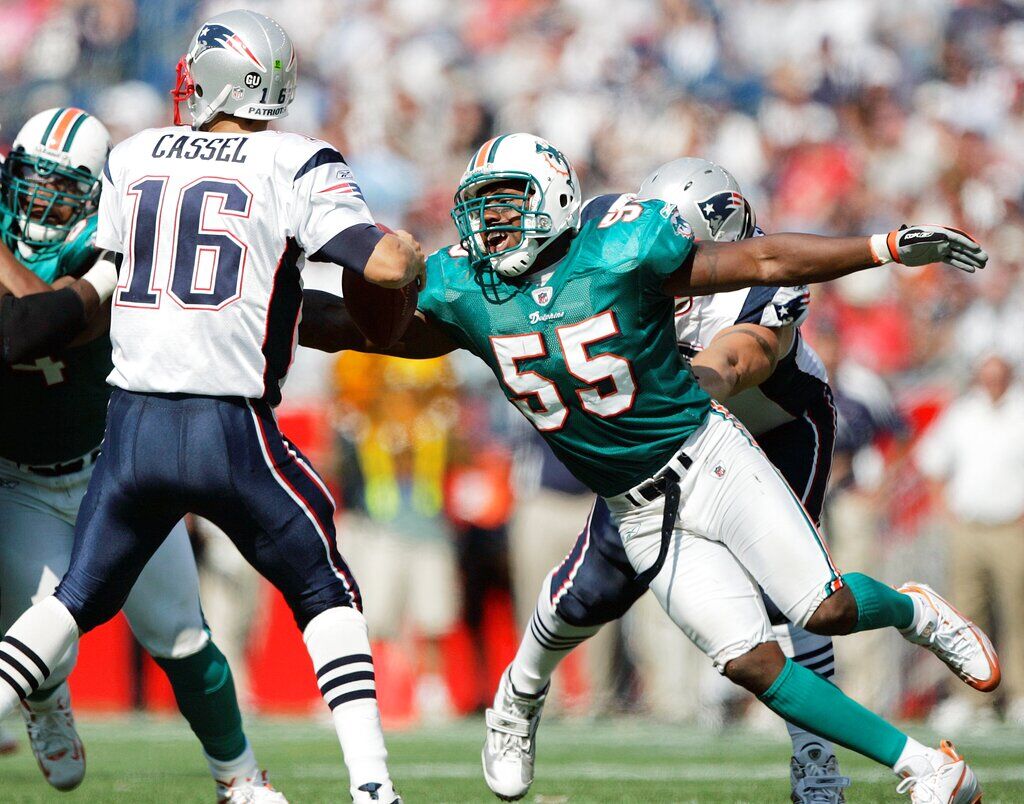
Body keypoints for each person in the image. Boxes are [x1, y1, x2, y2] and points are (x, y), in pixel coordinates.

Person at [300, 132, 995, 803]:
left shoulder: (627, 247)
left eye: (509, 200)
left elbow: (761, 282)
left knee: (823, 607)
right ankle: (927, 767)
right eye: (485, 204)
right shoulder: (468, 283)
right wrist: (253, 305)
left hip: (718, 454)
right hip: (636, 507)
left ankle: (916, 614)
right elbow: (363, 331)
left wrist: (884, 247)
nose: (495, 221)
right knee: (744, 659)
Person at [0, 11, 422, 804]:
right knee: (325, 587)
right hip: (230, 427)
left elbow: (99, 288)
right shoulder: (295, 160)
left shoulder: (134, 154)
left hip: (126, 436)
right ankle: (373, 787)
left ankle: (240, 778)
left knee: (72, 606)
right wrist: (412, 264)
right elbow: (387, 260)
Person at [0, 107, 281, 801]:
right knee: (42, 646)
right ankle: (45, 701)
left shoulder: (121, 235)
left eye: (63, 190)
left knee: (181, 636)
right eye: (32, 184)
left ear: (97, 193)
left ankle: (239, 778)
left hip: (114, 469)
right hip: (18, 480)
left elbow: (32, 330)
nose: (41, 204)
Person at [552, 157, 849, 802]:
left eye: (678, 240)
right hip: (688, 436)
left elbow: (739, 358)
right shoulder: (628, 261)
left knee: (800, 596)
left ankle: (816, 757)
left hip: (778, 427)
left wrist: (686, 386)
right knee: (596, 587)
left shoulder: (759, 287)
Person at [916, 353, 1024, 726]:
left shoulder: (1020, 411)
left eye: (999, 376)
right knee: (965, 614)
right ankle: (969, 697)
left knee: (1017, 613)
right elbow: (931, 461)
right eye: (986, 376)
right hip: (968, 526)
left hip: (1013, 526)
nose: (992, 382)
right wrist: (946, 511)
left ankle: (1019, 695)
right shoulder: (962, 413)